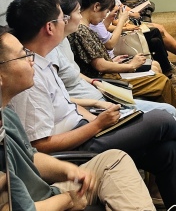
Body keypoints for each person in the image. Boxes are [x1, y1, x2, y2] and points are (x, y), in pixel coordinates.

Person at [4, 0, 176, 210]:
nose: (66, 21)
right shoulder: (29, 78)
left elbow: (66, 106)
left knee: (167, 150)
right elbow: (40, 146)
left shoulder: (45, 60)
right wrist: (97, 125)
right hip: (77, 146)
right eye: (63, 17)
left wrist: (95, 118)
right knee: (163, 119)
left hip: (86, 130)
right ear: (49, 28)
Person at [0, 26, 156, 211]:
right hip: (40, 202)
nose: (30, 60)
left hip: (42, 191)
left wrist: (68, 171)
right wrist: (68, 200)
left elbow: (29, 157)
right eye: (22, 56)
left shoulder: (7, 114)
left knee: (115, 159)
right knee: (161, 123)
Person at [52, 0, 176, 118]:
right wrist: (131, 66)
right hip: (105, 79)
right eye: (77, 12)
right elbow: (101, 63)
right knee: (160, 80)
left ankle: (170, 117)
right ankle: (171, 117)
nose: (80, 16)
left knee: (155, 66)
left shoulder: (71, 37)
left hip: (101, 79)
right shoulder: (80, 32)